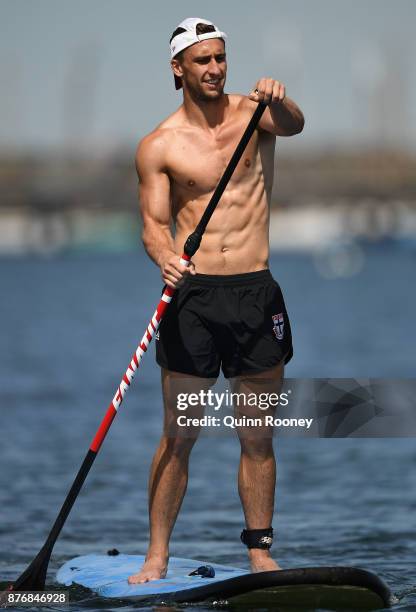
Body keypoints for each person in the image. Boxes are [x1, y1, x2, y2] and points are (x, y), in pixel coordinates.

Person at [128, 17, 304, 584]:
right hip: (195, 298)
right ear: (177, 69)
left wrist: (283, 96)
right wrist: (164, 256)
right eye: (202, 60)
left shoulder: (257, 115)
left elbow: (295, 125)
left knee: (257, 435)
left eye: (221, 58)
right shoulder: (158, 146)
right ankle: (157, 554)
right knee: (180, 435)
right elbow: (154, 225)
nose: (215, 69)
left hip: (255, 292)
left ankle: (258, 550)